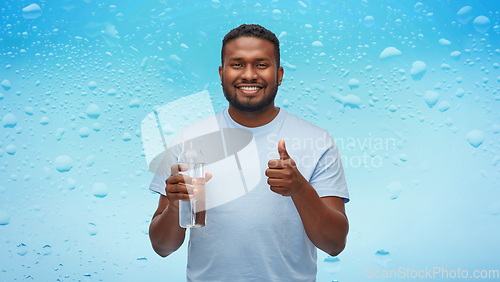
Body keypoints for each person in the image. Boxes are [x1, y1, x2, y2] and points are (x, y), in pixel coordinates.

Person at [148, 24, 349, 281]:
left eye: (261, 64)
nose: (249, 75)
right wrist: (175, 207)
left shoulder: (317, 140)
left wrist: (300, 189)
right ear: (222, 73)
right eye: (237, 64)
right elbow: (162, 247)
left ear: (279, 74)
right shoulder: (189, 140)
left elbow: (335, 244)